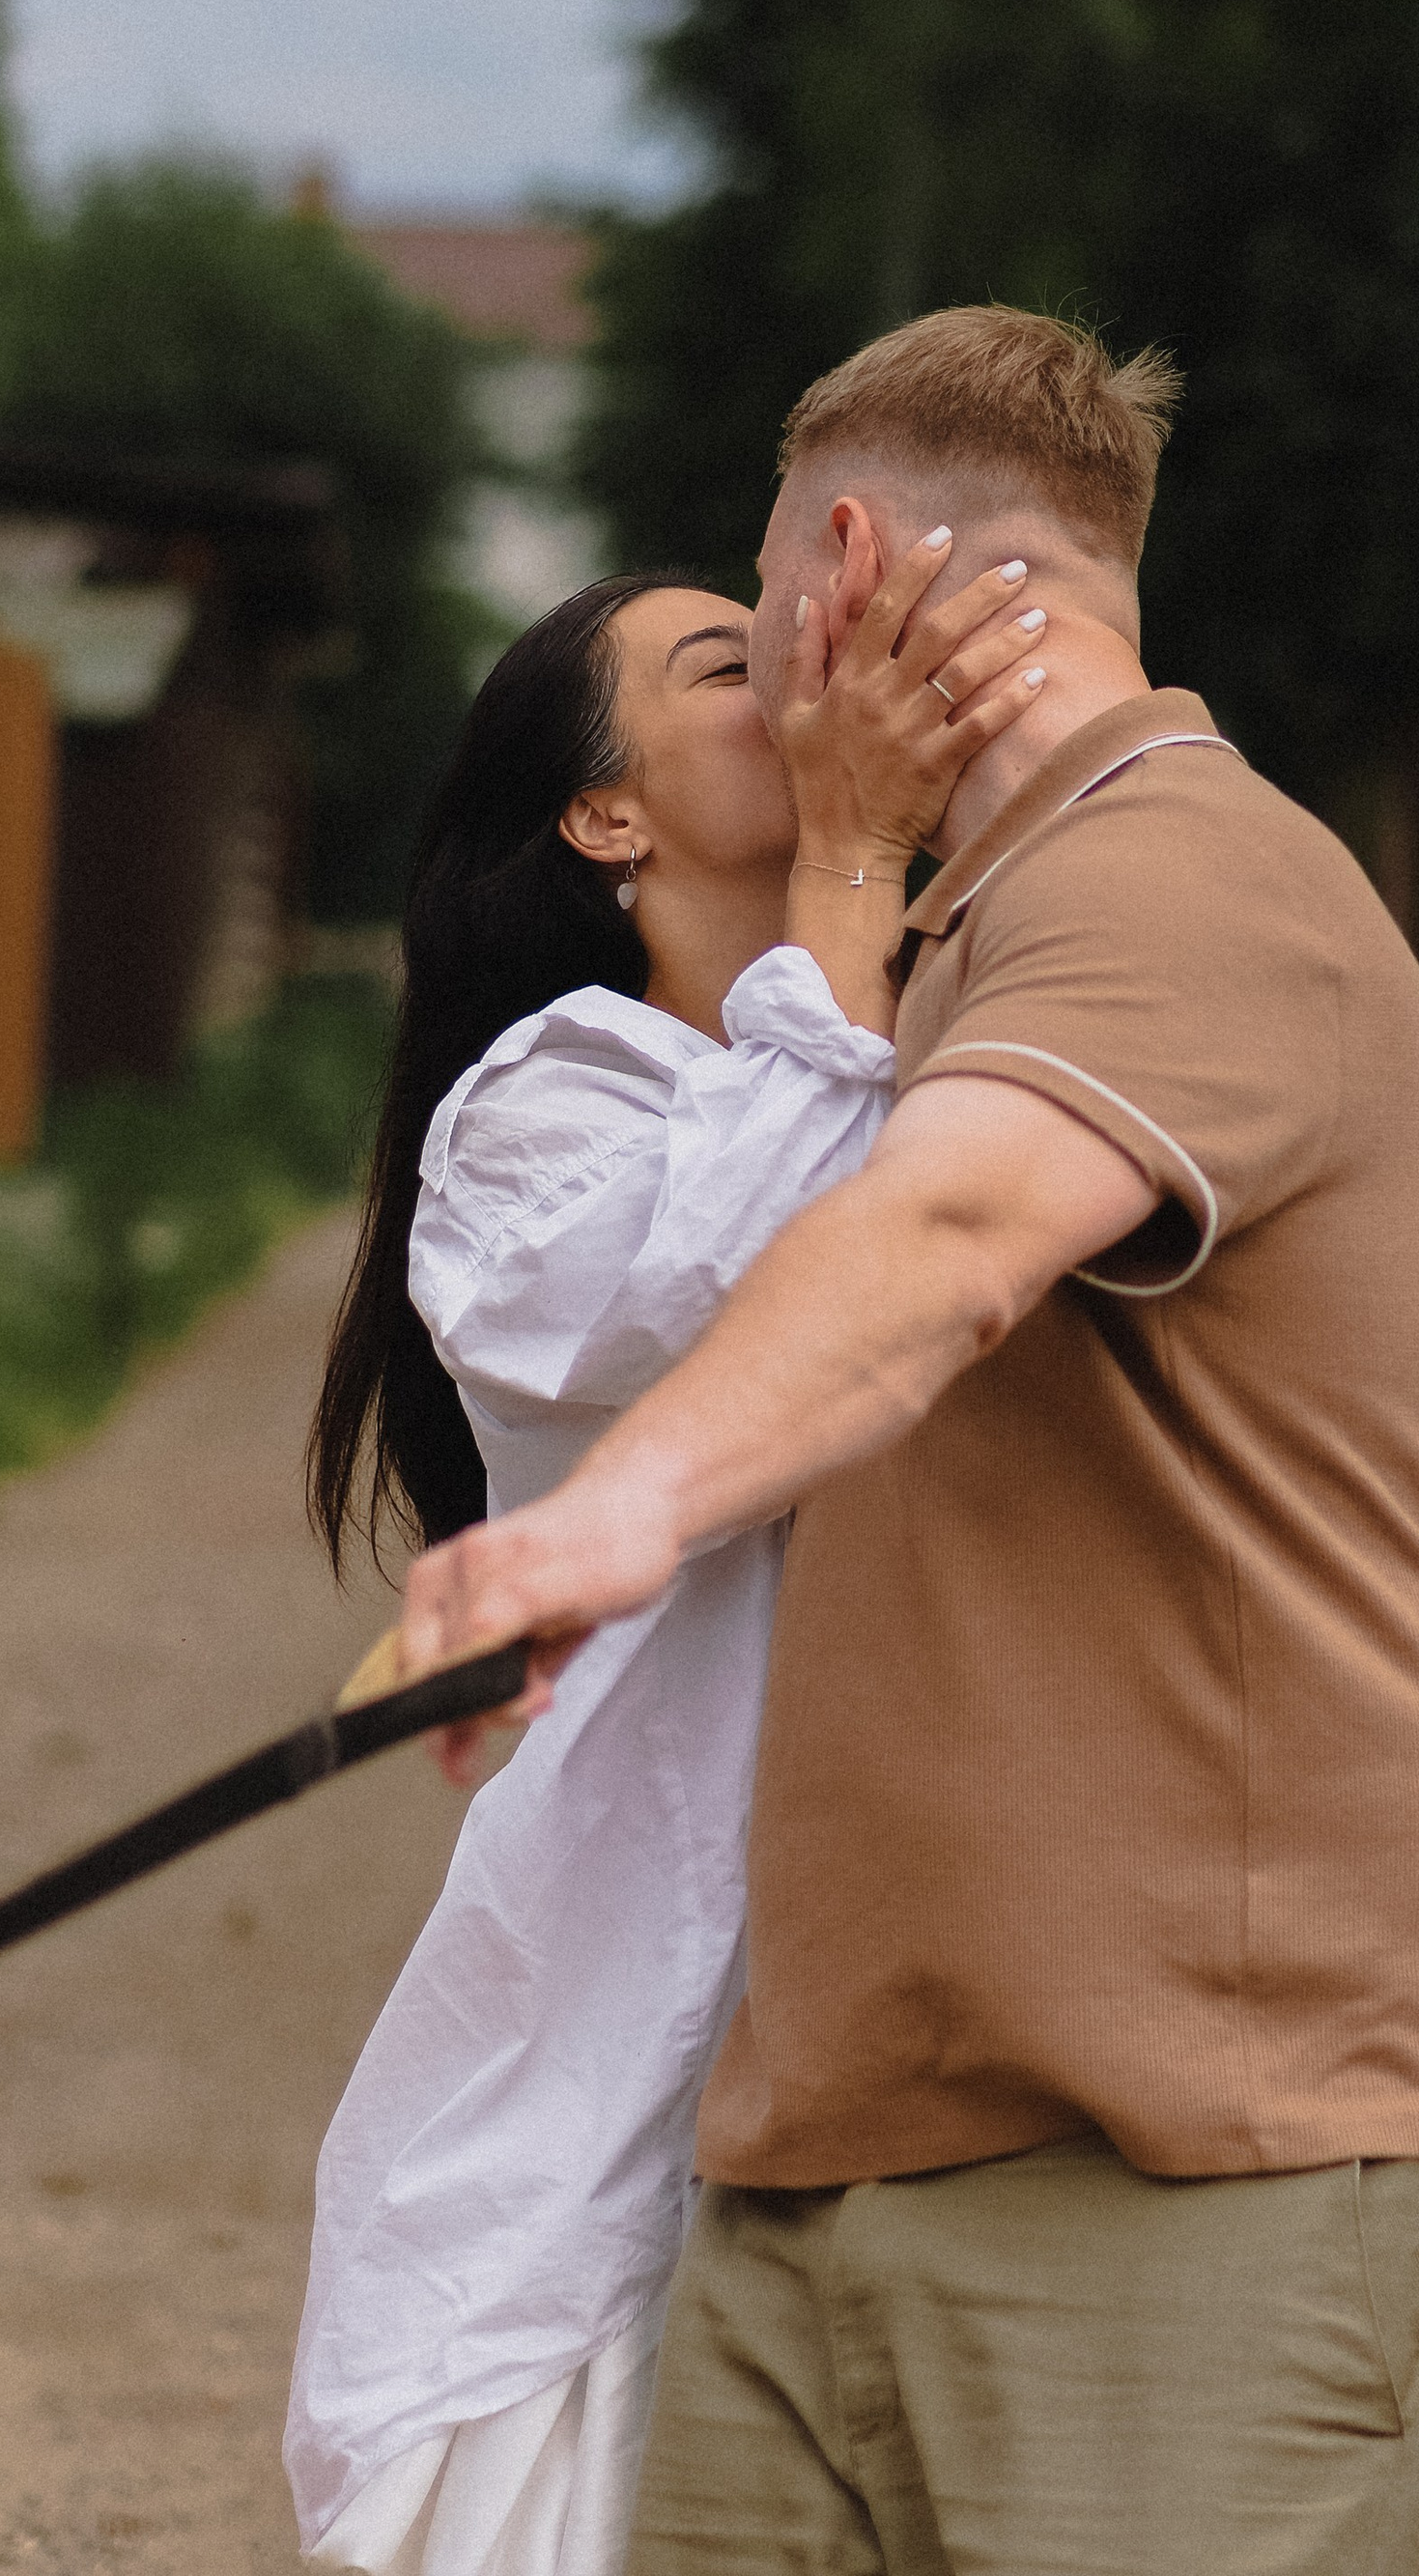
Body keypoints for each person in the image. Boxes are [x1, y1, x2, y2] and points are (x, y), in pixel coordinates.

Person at [393, 306, 1419, 2576]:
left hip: (1196, 2181)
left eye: (754, 613)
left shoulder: (1177, 880)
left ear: (840, 572)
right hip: (823, 2178)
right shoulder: (943, 945)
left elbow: (950, 1230)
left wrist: (607, 1519)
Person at [286, 552, 1048, 2576]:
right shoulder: (539, 1114)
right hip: (658, 1971)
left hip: (939, 1937)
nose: (797, 674)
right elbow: (781, 1270)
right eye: (726, 664)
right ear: (600, 814)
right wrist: (858, 856)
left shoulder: (964, 1022)